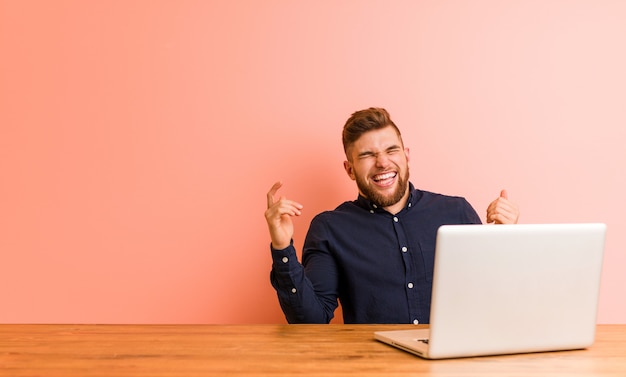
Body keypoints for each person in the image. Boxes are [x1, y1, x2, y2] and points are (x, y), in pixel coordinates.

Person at [264, 107, 520, 324]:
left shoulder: (456, 212)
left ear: (406, 156)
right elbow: (310, 321)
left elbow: (493, 301)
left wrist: (506, 242)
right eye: (367, 155)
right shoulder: (330, 228)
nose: (383, 162)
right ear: (350, 169)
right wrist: (282, 247)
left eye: (391, 150)